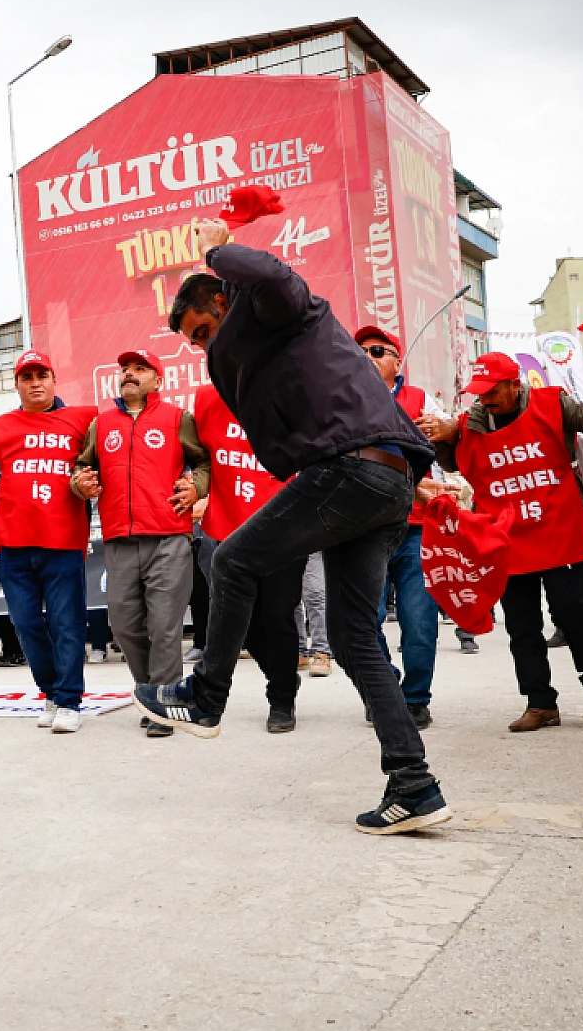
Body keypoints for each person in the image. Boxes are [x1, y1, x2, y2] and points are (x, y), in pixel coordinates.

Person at [138, 220, 451, 834]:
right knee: (355, 636)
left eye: (204, 331)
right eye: (196, 343)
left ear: (224, 298)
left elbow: (272, 274)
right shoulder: (266, 349)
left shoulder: (284, 309)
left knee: (231, 561)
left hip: (349, 474)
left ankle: (206, 697)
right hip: (384, 485)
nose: (205, 348)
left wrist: (216, 248)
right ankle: (414, 784)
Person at [422, 352, 583, 733]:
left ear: (515, 385)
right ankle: (539, 702)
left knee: (573, 614)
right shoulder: (470, 423)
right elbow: (452, 464)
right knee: (521, 625)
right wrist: (444, 436)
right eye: (478, 393)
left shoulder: (553, 404)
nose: (484, 399)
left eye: (492, 391)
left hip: (559, 530)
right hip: (507, 536)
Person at [72, 350, 208, 738]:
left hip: (168, 535)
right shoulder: (102, 424)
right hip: (119, 538)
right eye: (125, 370)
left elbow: (205, 463)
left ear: (158, 380)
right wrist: (81, 483)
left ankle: (163, 703)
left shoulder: (177, 419)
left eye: (140, 369)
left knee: (164, 625)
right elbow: (82, 467)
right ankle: (152, 691)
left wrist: (195, 487)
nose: (129, 374)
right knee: (125, 623)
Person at [0, 350, 98, 733]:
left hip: (63, 541)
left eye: (42, 375)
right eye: (28, 377)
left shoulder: (84, 420)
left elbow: (102, 467)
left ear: (54, 379)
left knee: (66, 623)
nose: (36, 382)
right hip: (14, 544)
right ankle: (51, 693)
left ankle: (70, 699)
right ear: (17, 384)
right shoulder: (1, 426)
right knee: (25, 623)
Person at [190, 381, 302, 732]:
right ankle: (283, 678)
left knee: (278, 614)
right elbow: (199, 458)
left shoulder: (290, 393)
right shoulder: (206, 399)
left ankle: (282, 699)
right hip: (228, 528)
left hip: (283, 526)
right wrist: (195, 486)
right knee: (241, 622)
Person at [354, 325, 447, 728]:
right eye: (361, 351)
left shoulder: (423, 401)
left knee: (419, 618)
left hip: (415, 529)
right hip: (362, 528)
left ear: (397, 360)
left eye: (378, 350)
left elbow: (444, 459)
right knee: (363, 620)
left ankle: (415, 698)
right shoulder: (342, 401)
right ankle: (383, 691)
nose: (368, 357)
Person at [296, 554, 333, 673]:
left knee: (315, 595)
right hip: (282, 542)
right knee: (289, 600)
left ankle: (322, 651)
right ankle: (298, 651)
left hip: (312, 541)